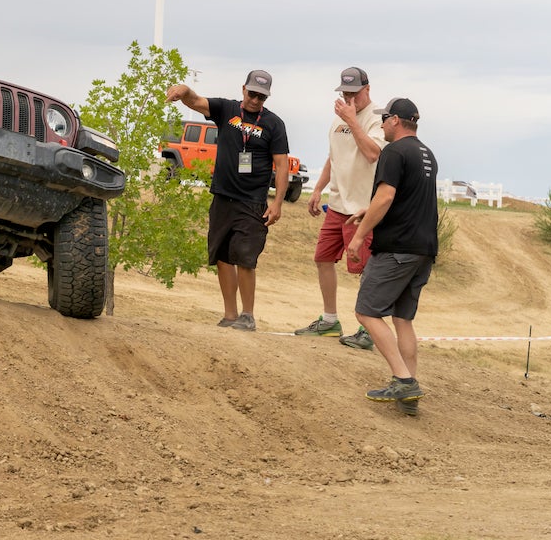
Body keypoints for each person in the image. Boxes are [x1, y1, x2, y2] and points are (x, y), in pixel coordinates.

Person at [165, 70, 291, 331]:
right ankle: (230, 314)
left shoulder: (274, 124)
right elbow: (196, 101)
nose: (256, 100)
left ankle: (248, 315)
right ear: (243, 89)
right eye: (253, 93)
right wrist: (184, 90)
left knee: (245, 257)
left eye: (262, 97)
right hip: (223, 197)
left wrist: (277, 202)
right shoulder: (226, 109)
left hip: (252, 201)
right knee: (222, 255)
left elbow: (281, 165)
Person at [345, 97, 438, 416]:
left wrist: (358, 237)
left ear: (396, 120)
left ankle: (403, 380)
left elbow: (386, 196)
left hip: (397, 249)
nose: (381, 124)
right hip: (423, 250)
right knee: (402, 319)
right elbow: (405, 199)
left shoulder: (394, 151)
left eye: (384, 118)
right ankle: (408, 395)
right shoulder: (426, 153)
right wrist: (367, 211)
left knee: (366, 312)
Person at [294, 67, 387, 349]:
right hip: (336, 205)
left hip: (363, 209)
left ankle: (368, 328)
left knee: (364, 268)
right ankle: (330, 320)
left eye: (354, 93)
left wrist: (352, 120)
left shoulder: (376, 118)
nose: (349, 98)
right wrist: (319, 188)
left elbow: (373, 153)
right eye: (345, 93)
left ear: (367, 90)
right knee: (322, 258)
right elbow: (333, 157)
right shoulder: (337, 121)